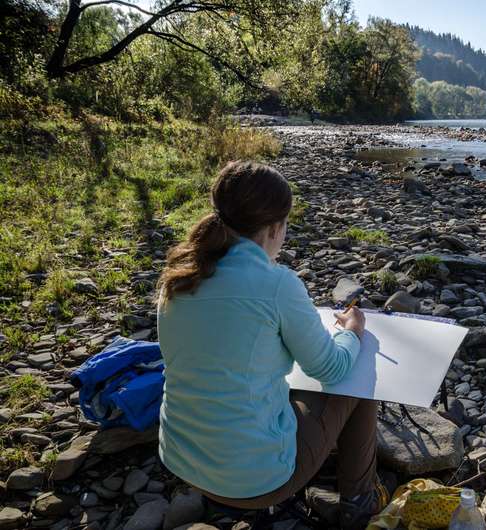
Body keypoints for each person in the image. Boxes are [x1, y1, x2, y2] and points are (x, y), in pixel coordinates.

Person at [156, 160, 387, 528]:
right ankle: (359, 502)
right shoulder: (276, 283)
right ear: (275, 227)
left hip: (180, 459)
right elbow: (332, 368)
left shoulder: (179, 276)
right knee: (360, 378)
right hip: (253, 480)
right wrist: (353, 330)